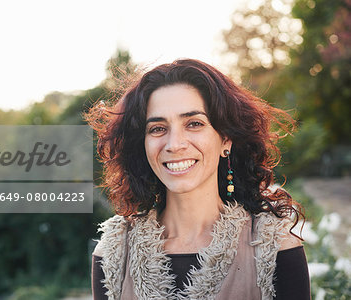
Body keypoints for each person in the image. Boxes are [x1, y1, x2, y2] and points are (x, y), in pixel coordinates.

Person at [86, 59, 310, 300]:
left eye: (194, 124)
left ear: (226, 139)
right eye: (158, 128)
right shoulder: (114, 251)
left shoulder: (274, 245)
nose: (174, 145)